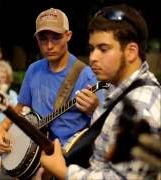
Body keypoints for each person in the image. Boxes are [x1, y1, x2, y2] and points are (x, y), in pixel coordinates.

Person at [40, 4, 161, 179]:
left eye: (103, 49)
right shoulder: (118, 91)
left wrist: (64, 171)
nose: (93, 58)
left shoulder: (140, 108)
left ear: (131, 52)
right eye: (92, 49)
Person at [0, 7, 100, 178]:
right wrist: (1, 128)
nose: (49, 45)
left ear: (68, 35)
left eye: (56, 38)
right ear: (37, 39)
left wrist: (94, 108)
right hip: (32, 153)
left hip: (67, 159)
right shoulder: (33, 70)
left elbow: (102, 124)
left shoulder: (85, 75)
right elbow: (21, 107)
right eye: (43, 39)